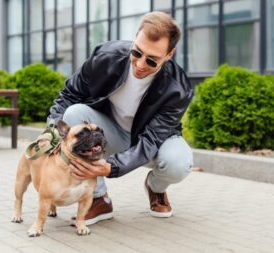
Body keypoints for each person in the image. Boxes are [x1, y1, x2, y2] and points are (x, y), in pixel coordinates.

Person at [48, 11, 194, 225]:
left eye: (152, 61)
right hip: (111, 133)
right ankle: (98, 200)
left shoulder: (178, 89)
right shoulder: (105, 57)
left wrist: (113, 168)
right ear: (135, 38)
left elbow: (152, 139)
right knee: (74, 114)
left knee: (178, 164)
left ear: (169, 54)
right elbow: (69, 95)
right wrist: (51, 133)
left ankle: (156, 188)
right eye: (137, 52)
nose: (141, 64)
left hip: (152, 140)